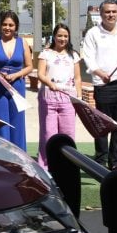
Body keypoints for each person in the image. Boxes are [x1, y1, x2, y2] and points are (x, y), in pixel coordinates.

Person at [82, 0, 117, 170]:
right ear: (101, 13)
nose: (111, 15)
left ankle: (115, 161)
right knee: (102, 125)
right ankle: (100, 161)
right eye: (107, 12)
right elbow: (88, 58)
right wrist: (100, 73)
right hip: (103, 86)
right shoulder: (93, 33)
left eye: (114, 11)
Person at [0, 10, 33, 150]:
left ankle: (19, 158)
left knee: (18, 123)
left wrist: (16, 75)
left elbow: (29, 66)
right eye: (4, 24)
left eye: (11, 25)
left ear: (16, 27)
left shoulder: (23, 43)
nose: (7, 28)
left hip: (17, 87)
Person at [36, 23, 82, 170]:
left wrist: (79, 97)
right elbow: (40, 74)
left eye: (65, 36)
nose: (62, 38)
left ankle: (67, 165)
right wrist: (49, 83)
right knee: (48, 135)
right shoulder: (45, 54)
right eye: (60, 35)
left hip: (68, 99)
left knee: (67, 134)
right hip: (48, 98)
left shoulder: (73, 55)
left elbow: (78, 78)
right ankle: (45, 167)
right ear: (54, 37)